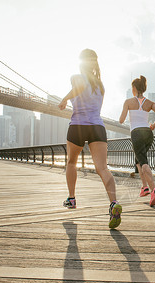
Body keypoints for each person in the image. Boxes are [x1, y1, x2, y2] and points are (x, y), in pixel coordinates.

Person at [58, 48, 122, 229]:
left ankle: (71, 199)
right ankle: (113, 203)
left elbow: (77, 87)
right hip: (97, 127)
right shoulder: (101, 85)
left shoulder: (76, 78)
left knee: (71, 162)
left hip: (78, 125)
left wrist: (64, 99)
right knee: (102, 167)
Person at [119, 75, 155, 207]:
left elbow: (121, 120)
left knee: (143, 162)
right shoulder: (150, 103)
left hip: (137, 133)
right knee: (138, 160)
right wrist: (153, 126)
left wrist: (127, 114)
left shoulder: (128, 102)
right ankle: (144, 187)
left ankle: (154, 189)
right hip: (148, 133)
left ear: (134, 88)